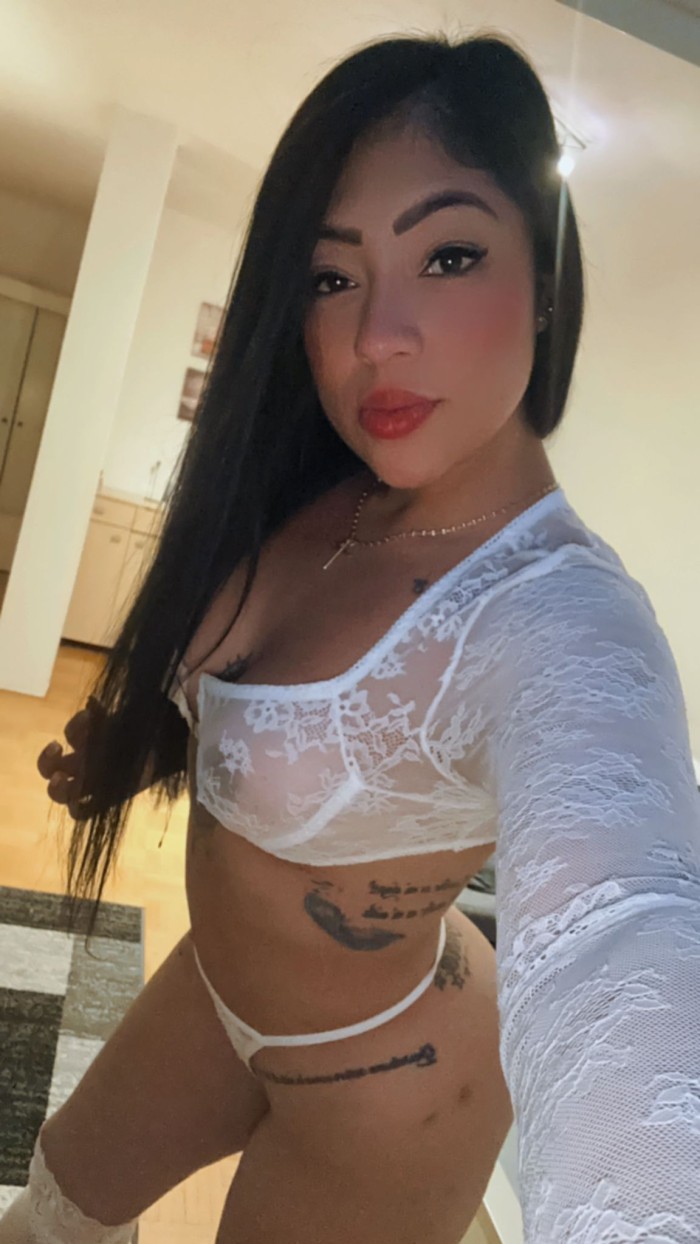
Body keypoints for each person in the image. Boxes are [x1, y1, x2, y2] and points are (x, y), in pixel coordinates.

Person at [3, 28, 699, 1244]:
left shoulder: (564, 621)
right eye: (332, 277)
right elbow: (248, 693)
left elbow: (623, 940)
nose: (377, 332)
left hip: (393, 1089)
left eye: (449, 255)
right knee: (47, 1216)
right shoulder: (319, 485)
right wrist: (140, 739)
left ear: (544, 281)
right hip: (213, 989)